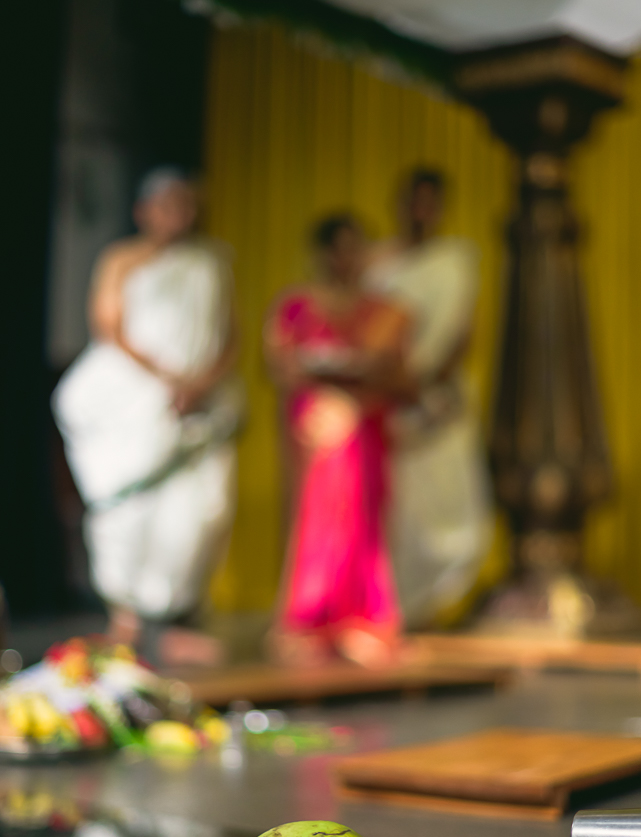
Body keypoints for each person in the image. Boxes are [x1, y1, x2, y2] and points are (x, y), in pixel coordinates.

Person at [53, 168, 241, 663]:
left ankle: (175, 621)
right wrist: (167, 381)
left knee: (202, 510)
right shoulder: (122, 259)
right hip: (136, 399)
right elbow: (109, 326)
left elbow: (230, 333)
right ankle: (127, 620)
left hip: (199, 402)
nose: (178, 214)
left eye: (185, 204)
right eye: (167, 205)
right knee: (128, 506)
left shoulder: (211, 263)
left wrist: (200, 383)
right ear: (143, 212)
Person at [265, 214, 412, 668]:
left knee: (363, 518)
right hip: (313, 425)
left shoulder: (384, 313)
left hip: (364, 423)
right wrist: (326, 404)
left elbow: (398, 375)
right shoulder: (296, 306)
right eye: (337, 248)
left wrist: (354, 406)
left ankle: (362, 619)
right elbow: (282, 367)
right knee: (314, 518)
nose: (345, 259)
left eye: (354, 248)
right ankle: (309, 619)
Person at [365, 168, 493, 629]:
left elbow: (460, 332)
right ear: (398, 205)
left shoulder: (453, 261)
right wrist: (394, 383)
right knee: (395, 510)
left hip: (436, 401)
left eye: (429, 203)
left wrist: (424, 383)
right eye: (413, 201)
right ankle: (389, 608)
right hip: (387, 401)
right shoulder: (377, 263)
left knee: (449, 506)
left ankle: (433, 609)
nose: (420, 212)